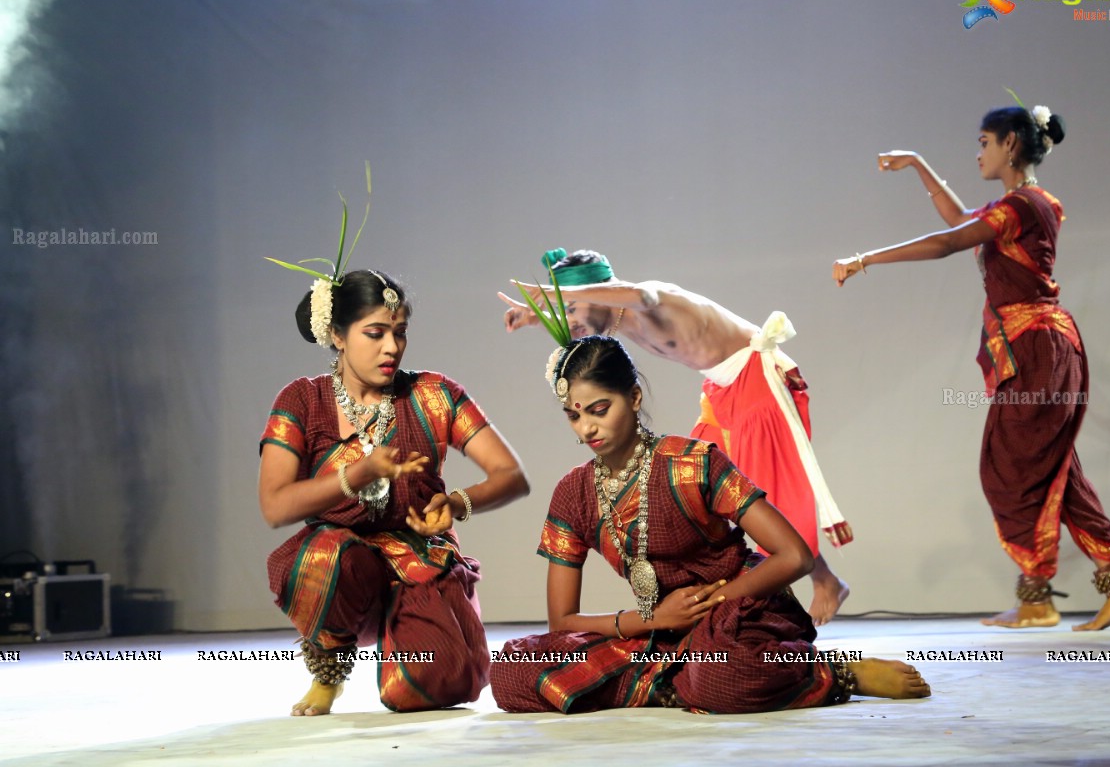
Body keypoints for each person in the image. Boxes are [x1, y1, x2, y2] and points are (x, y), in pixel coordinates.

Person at [490, 336, 930, 713]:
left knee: (722, 673)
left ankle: (835, 672)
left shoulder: (693, 462)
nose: (587, 428)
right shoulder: (574, 492)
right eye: (573, 415)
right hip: (658, 632)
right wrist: (651, 619)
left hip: (741, 614)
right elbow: (562, 622)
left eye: (599, 410)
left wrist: (708, 602)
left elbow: (794, 556)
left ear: (635, 398)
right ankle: (678, 681)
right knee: (510, 672)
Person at [832, 103, 1110, 631]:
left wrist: (865, 259)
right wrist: (918, 166)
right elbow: (960, 220)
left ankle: (1061, 592)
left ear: (1011, 145)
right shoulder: (1023, 205)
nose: (978, 152)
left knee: (1012, 468)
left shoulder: (1023, 205)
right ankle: (1060, 594)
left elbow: (950, 242)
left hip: (1038, 350)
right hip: (1033, 348)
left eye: (984, 142)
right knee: (1047, 467)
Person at [499, 250, 853, 626]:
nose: (569, 323)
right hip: (722, 389)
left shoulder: (653, 298)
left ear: (600, 290)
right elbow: (586, 318)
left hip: (755, 379)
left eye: (571, 308)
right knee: (696, 490)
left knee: (767, 491)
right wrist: (534, 317)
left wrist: (575, 294)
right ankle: (792, 582)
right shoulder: (615, 321)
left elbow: (641, 295)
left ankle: (815, 583)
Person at [259, 269, 529, 715]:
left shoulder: (434, 395)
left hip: (420, 559)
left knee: (427, 686)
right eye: (375, 333)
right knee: (322, 557)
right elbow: (275, 506)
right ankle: (329, 670)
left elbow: (510, 474)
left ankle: (417, 634)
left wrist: (457, 503)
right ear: (337, 335)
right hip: (345, 566)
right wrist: (360, 473)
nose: (392, 347)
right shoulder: (302, 401)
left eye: (399, 332)